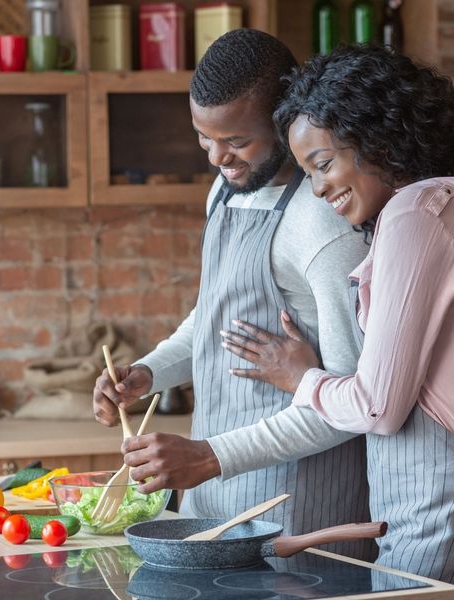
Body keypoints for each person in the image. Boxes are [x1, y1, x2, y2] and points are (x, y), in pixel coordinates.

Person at [93, 29, 374, 559]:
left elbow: (352, 400)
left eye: (236, 141)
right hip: (212, 499)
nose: (217, 158)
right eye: (205, 139)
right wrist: (149, 374)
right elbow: (214, 319)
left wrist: (207, 455)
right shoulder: (226, 190)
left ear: (286, 118)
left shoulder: (322, 223)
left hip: (296, 513)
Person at [221, 45, 454, 581]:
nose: (319, 187)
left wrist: (301, 377)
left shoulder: (413, 215)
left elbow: (377, 407)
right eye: (306, 172)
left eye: (323, 164)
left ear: (377, 139)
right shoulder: (441, 200)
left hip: (432, 515)